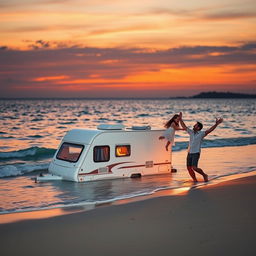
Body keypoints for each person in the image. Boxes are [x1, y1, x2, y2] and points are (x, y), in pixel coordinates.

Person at [179, 112, 223, 182]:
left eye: (195, 125)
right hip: (189, 152)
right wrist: (180, 119)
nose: (193, 126)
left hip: (196, 153)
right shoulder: (191, 132)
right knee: (189, 168)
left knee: (194, 168)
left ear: (198, 127)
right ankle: (195, 180)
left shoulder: (201, 134)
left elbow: (210, 130)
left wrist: (216, 124)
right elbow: (184, 126)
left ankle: (204, 175)